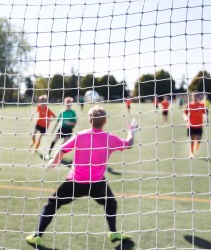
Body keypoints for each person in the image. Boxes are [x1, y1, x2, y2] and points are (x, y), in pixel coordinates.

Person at [26, 105, 137, 247]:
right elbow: (129, 144)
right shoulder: (110, 138)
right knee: (111, 203)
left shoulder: (80, 135)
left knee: (51, 205)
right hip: (97, 184)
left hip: (75, 183)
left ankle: (37, 236)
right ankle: (113, 231)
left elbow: (62, 149)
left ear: (89, 120)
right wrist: (131, 132)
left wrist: (54, 162)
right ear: (104, 122)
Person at [184, 92, 206, 157]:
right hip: (191, 125)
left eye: (196, 96)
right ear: (192, 97)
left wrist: (205, 119)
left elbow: (205, 113)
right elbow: (184, 113)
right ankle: (191, 153)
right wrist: (186, 119)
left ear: (198, 97)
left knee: (198, 139)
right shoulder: (189, 105)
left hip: (199, 125)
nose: (195, 97)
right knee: (191, 139)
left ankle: (197, 145)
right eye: (193, 96)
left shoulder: (202, 105)